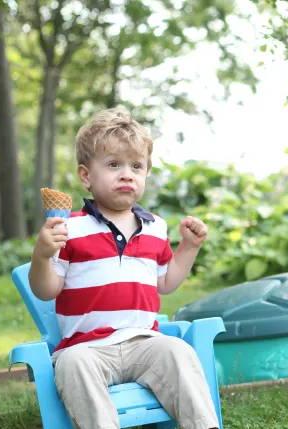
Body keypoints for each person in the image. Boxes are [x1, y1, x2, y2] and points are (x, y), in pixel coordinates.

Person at [28, 108, 219, 429]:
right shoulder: (69, 227)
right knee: (71, 365)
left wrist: (189, 247)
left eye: (136, 166)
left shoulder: (156, 227)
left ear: (146, 173)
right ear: (86, 176)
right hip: (86, 347)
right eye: (114, 165)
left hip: (144, 342)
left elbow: (166, 282)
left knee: (178, 351)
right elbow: (46, 290)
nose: (127, 174)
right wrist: (42, 256)